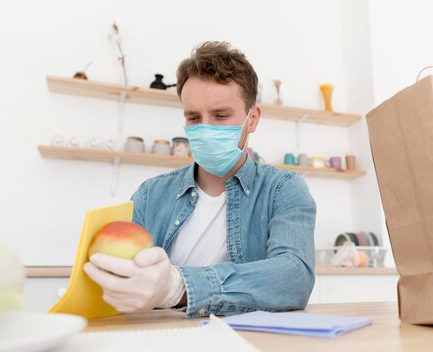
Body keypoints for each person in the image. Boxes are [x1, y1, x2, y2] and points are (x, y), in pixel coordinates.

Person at [84, 41, 316, 318]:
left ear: (252, 119)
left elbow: (294, 277)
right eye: (194, 117)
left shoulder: (283, 191)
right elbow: (121, 277)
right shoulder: (150, 195)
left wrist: (179, 287)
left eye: (220, 116)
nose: (205, 129)